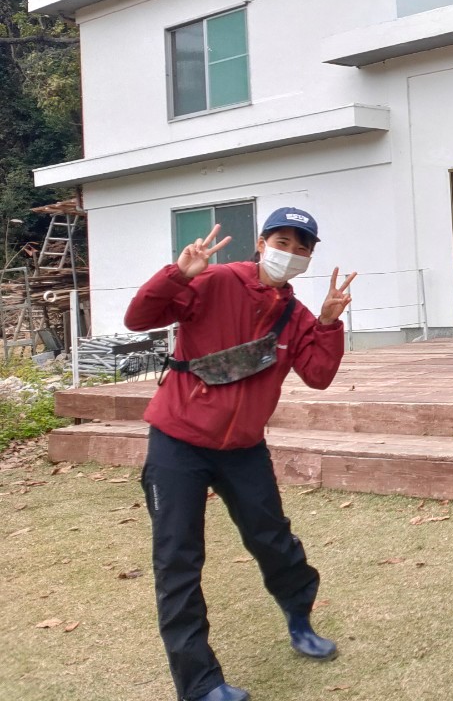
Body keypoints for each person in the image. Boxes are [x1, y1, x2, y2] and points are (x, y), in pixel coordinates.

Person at [124, 208, 356, 701]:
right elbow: (138, 319)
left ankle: (299, 618)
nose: (290, 253)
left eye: (301, 247)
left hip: (244, 447)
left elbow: (318, 376)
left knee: (272, 539)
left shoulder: (297, 315)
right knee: (178, 558)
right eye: (282, 242)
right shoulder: (215, 280)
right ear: (261, 242)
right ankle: (199, 683)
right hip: (178, 441)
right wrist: (177, 274)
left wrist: (328, 324)